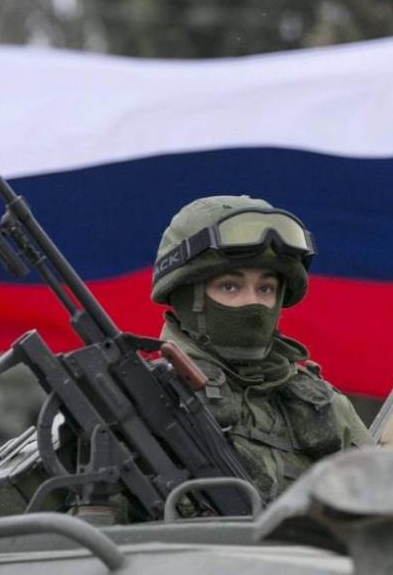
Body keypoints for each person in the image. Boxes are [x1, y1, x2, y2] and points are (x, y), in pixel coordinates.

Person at [151, 195, 371, 502]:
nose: (253, 303)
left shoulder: (325, 404)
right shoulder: (145, 398)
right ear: (187, 295)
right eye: (230, 286)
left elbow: (389, 508)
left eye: (266, 288)